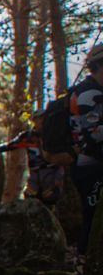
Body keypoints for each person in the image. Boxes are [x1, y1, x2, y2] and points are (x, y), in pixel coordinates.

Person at [43, 43, 103, 249]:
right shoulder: (89, 94)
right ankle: (86, 267)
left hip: (90, 164)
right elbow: (94, 133)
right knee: (94, 217)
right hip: (90, 166)